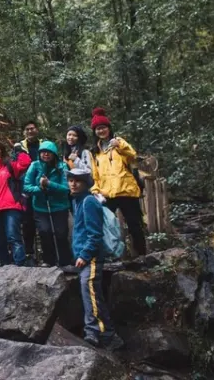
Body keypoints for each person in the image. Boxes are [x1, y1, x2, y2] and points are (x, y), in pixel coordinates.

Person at [67, 165, 124, 351]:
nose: (73, 184)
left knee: (90, 293)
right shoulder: (77, 201)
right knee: (91, 294)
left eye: (78, 181)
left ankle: (95, 333)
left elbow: (94, 233)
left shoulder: (89, 202)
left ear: (85, 184)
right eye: (71, 180)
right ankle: (107, 334)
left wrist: (84, 254)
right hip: (83, 256)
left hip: (91, 258)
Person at [89, 107, 146, 256]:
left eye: (103, 128)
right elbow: (95, 175)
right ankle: (112, 254)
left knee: (134, 224)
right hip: (107, 193)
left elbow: (132, 156)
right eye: (98, 129)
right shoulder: (95, 151)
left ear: (109, 128)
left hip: (126, 190)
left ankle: (142, 255)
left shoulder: (119, 142)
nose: (101, 131)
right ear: (95, 132)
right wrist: (95, 189)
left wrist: (120, 146)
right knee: (106, 225)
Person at [0, 140, 31, 267]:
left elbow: (25, 163)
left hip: (11, 206)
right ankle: (5, 266)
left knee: (13, 237)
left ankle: (20, 264)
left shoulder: (10, 165)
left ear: (2, 149)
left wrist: (20, 150)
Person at [23, 140, 71, 266]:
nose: (46, 155)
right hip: (40, 207)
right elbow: (27, 186)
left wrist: (50, 184)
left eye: (49, 152)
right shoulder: (34, 165)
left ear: (54, 154)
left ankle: (65, 261)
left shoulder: (62, 167)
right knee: (45, 232)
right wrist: (40, 189)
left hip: (60, 206)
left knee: (61, 233)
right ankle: (49, 261)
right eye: (43, 152)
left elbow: (66, 188)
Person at [14, 121, 41, 264]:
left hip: (43, 186)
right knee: (27, 222)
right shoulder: (19, 147)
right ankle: (29, 252)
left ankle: (48, 255)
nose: (30, 131)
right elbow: (15, 167)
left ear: (37, 130)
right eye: (27, 129)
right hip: (25, 188)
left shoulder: (43, 144)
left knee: (43, 221)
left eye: (32, 128)